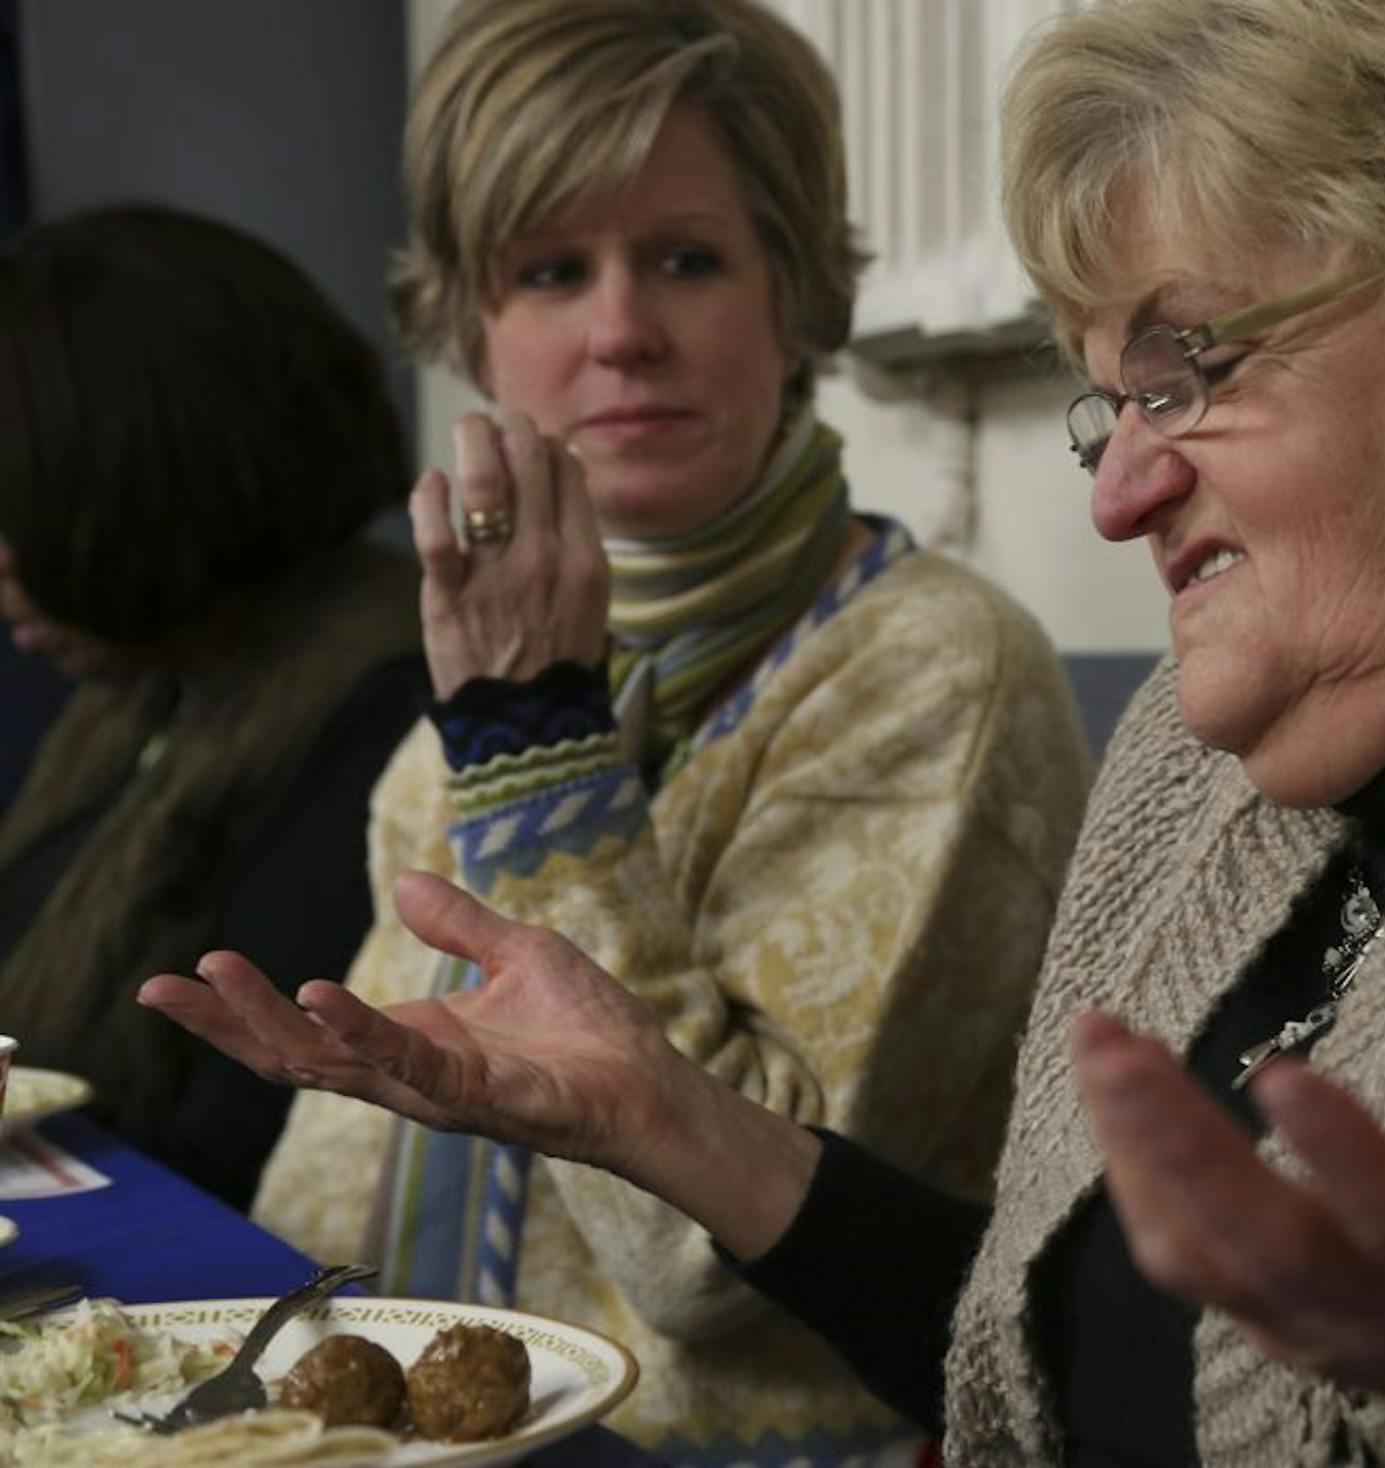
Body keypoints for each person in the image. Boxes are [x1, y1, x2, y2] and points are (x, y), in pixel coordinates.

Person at [148, 0, 1385, 1462]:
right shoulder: (1223, 776)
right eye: (1110, 398)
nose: (1114, 491)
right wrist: (663, 1121)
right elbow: (1090, 1358)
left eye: (1192, 369)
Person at [240, 1, 1093, 1463]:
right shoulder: (509, 656)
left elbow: (712, 1265)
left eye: (686, 259)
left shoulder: (938, 665)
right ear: (473, 328)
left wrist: (541, 757)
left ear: (796, 295)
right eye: (552, 271)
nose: (622, 331)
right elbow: (332, 1184)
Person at [0, 204, 422, 1210]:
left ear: (143, 476)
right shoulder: (149, 685)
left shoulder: (387, 703)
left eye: (15, 509)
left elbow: (230, 1145)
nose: (2, 564)